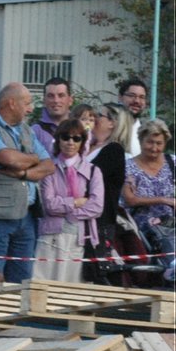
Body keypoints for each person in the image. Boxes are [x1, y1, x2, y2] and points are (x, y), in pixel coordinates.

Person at [0, 82, 55, 284]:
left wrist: (22, 173)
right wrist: (33, 158)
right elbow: (8, 159)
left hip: (27, 216)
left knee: (21, 284)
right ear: (11, 103)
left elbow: (49, 165)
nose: (31, 108)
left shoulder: (26, 130)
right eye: (27, 103)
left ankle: (16, 318)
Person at [123, 118, 176, 273]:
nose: (155, 148)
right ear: (141, 140)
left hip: (168, 226)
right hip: (140, 228)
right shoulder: (130, 167)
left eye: (159, 143)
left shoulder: (171, 162)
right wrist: (163, 200)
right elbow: (130, 199)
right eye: (150, 142)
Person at [34, 118, 105, 282]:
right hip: (50, 236)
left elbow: (96, 207)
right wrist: (75, 202)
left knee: (73, 289)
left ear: (82, 142)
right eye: (65, 137)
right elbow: (49, 205)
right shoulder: (49, 169)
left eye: (76, 138)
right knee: (43, 285)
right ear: (58, 140)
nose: (70, 142)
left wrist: (69, 213)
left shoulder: (93, 171)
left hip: (80, 238)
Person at [82, 102, 130, 267]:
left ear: (112, 122)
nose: (94, 118)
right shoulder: (86, 145)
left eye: (99, 115)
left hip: (98, 222)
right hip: (77, 217)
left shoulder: (114, 150)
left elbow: (88, 177)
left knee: (91, 271)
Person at [32, 76, 72, 156]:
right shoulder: (35, 132)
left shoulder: (81, 128)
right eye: (51, 96)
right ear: (44, 101)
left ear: (70, 100)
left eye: (61, 95)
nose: (56, 100)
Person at [117, 77, 148, 155]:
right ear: (120, 97)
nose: (137, 101)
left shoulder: (146, 134)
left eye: (141, 97)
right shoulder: (106, 126)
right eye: (131, 95)